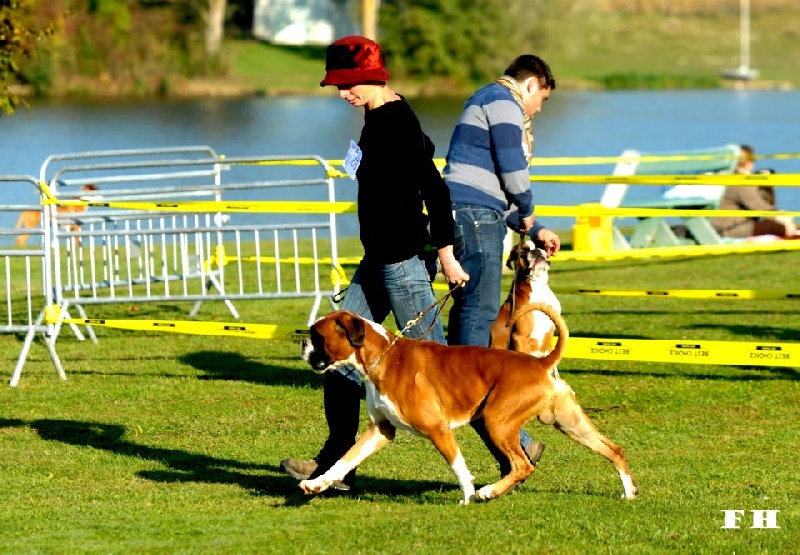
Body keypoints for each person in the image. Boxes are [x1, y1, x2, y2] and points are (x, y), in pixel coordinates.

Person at [280, 35, 469, 491]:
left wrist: (444, 253)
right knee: (335, 354)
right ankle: (334, 466)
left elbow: (436, 189)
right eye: (338, 87)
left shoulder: (397, 121)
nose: (342, 94)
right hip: (375, 261)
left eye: (347, 85)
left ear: (372, 76)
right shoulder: (375, 115)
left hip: (403, 262)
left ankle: (517, 444)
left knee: (442, 370)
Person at [442, 54, 561, 477]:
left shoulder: (486, 99)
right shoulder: (504, 103)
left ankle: (513, 439)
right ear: (531, 84)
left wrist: (534, 227)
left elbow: (491, 189)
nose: (538, 110)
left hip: (474, 212)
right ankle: (473, 398)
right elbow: (513, 174)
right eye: (541, 99)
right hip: (475, 218)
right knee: (478, 314)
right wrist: (529, 211)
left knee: (470, 315)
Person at [712, 146, 798, 239]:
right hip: (730, 228)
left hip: (720, 226)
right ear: (749, 163)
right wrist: (785, 219)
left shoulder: (726, 178)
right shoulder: (740, 182)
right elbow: (761, 209)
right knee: (773, 227)